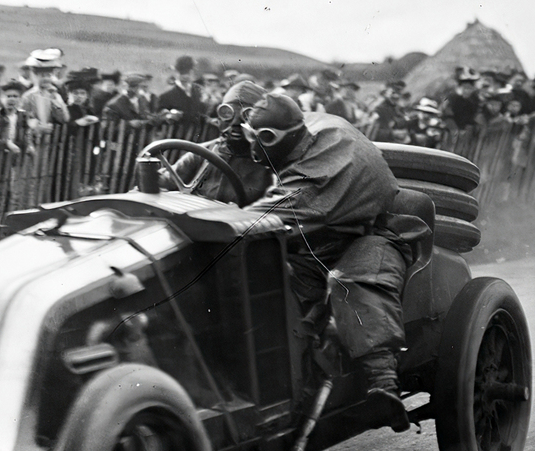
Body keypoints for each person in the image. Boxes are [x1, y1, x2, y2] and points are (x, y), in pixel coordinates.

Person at [241, 92, 430, 431]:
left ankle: (382, 381)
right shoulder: (303, 138)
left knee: (352, 281)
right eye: (250, 136)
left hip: (373, 235)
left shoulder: (323, 169)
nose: (257, 146)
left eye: (266, 138)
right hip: (317, 243)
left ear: (290, 135)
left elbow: (261, 219)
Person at [163, 79, 273, 204]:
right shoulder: (202, 154)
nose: (235, 123)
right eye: (228, 114)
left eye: (246, 116)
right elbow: (166, 181)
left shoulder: (271, 163)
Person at [18, 57, 68, 133]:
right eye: (42, 75)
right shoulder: (28, 96)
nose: (46, 78)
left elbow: (64, 118)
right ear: (35, 76)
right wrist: (35, 126)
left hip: (52, 136)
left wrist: (57, 101)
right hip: (33, 135)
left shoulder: (55, 95)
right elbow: (23, 118)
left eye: (48, 75)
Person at [157, 55, 208, 128]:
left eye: (188, 72)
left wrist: (208, 120)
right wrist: (168, 115)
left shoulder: (198, 93)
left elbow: (201, 113)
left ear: (193, 71)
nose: (185, 76)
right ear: (176, 72)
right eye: (182, 72)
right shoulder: (166, 95)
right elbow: (159, 116)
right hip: (175, 136)